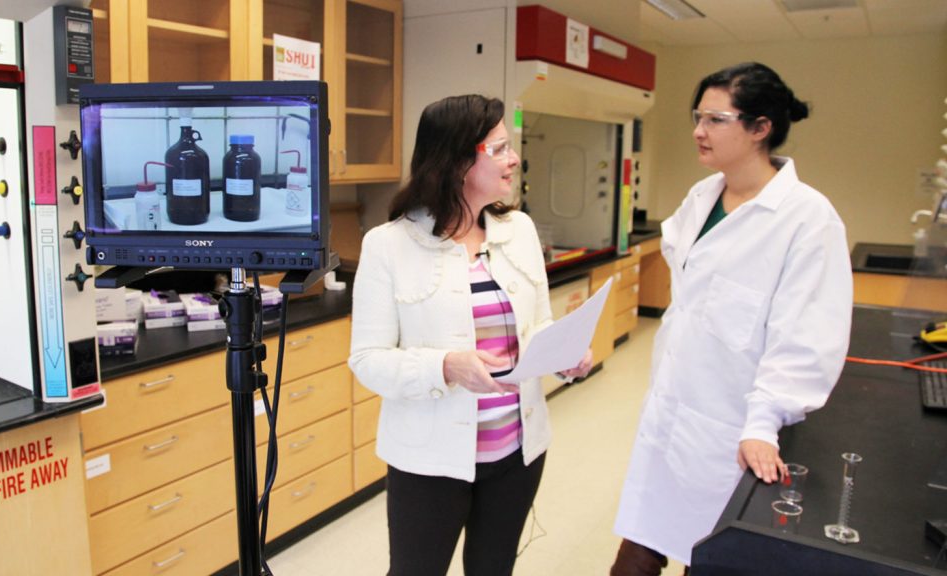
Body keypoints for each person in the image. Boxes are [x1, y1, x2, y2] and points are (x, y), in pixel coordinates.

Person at [610, 62, 853, 575]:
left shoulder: (808, 220)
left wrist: (764, 422)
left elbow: (806, 339)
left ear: (760, 128)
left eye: (715, 119)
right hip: (671, 412)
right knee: (635, 556)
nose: (699, 131)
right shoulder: (703, 197)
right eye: (698, 117)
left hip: (732, 430)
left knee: (713, 556)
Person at [349, 94, 593, 576]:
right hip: (430, 460)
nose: (514, 158)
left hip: (516, 452)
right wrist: (445, 366)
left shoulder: (518, 230)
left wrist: (562, 354)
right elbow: (368, 359)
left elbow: (537, 324)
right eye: (499, 147)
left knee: (493, 568)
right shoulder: (389, 245)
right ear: (460, 160)